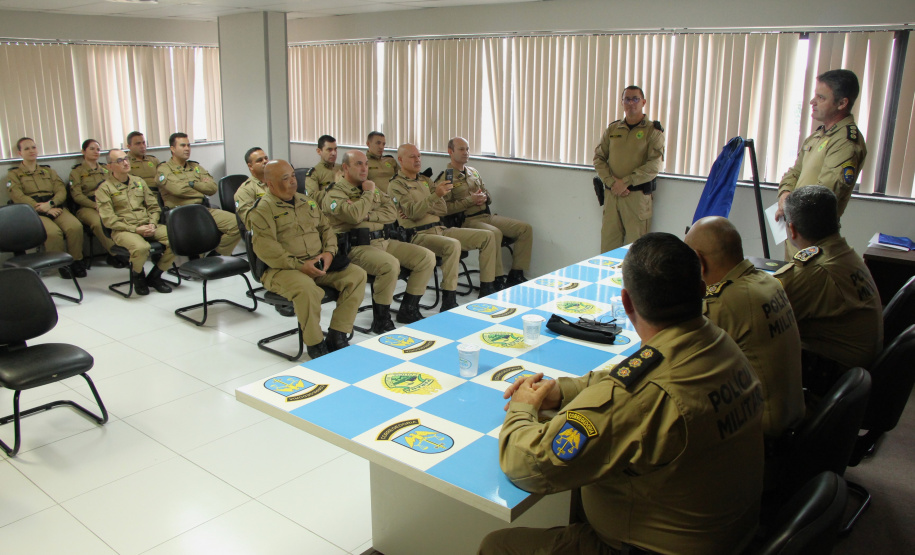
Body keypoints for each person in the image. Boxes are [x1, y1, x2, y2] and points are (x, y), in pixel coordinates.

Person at [481, 233, 763, 555]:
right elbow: (635, 376)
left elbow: (526, 466)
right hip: (733, 534)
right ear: (701, 290)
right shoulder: (720, 343)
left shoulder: (640, 397)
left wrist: (522, 408)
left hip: (651, 548)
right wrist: (564, 391)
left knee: (497, 545)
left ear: (626, 303)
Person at [685, 216, 804, 438]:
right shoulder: (768, 282)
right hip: (791, 411)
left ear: (699, 262)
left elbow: (679, 363)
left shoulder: (722, 303)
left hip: (760, 426)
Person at [249, 159, 367, 358]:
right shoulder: (262, 210)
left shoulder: (307, 201)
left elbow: (326, 228)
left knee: (357, 275)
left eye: (293, 176)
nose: (293, 182)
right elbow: (267, 249)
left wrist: (329, 252)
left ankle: (337, 334)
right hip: (282, 269)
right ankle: (315, 344)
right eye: (285, 178)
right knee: (307, 290)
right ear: (270, 184)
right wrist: (300, 265)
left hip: (317, 263)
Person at [774, 185, 882, 395]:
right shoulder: (844, 255)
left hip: (832, 376)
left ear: (792, 229)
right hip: (857, 374)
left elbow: (759, 310)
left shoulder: (816, 270)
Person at [323, 150, 435, 331]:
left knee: (426, 257)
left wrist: (366, 215)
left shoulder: (371, 186)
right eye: (358, 164)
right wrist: (367, 195)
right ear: (345, 168)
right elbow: (353, 216)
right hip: (356, 247)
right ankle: (381, 319)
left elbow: (391, 213)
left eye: (366, 164)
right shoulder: (335, 193)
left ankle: (408, 308)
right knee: (389, 265)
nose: (364, 168)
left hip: (384, 240)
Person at [388, 143, 499, 311]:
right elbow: (412, 213)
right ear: (401, 160)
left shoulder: (425, 181)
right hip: (418, 235)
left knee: (487, 236)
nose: (417, 160)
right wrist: (432, 200)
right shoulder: (396, 185)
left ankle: (487, 288)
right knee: (452, 244)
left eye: (419, 156)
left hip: (440, 229)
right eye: (412, 157)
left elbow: (443, 209)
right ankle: (449, 299)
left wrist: (425, 205)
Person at [775, 69, 867, 243]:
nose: (812, 102)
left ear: (842, 103)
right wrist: (785, 195)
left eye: (821, 98)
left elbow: (823, 196)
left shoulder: (845, 142)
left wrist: (789, 206)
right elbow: (794, 172)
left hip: (816, 234)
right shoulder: (818, 135)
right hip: (797, 227)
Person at [436, 137, 533, 288]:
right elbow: (444, 209)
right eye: (461, 149)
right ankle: (496, 279)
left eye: (467, 149)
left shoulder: (473, 172)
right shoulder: (446, 178)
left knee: (525, 228)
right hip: (467, 221)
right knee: (495, 233)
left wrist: (484, 197)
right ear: (450, 151)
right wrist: (470, 201)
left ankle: (516, 274)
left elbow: (489, 196)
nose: (466, 152)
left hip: (486, 215)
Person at [592, 85, 665, 253]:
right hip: (612, 196)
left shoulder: (652, 131)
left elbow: (655, 165)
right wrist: (612, 182)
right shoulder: (613, 129)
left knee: (637, 251)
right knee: (608, 250)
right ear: (622, 102)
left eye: (635, 99)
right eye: (627, 99)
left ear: (643, 102)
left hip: (636, 198)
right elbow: (599, 158)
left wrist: (625, 182)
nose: (631, 103)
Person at [5, 137, 86, 278]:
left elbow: (61, 190)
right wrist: (44, 208)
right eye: (27, 148)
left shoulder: (49, 171)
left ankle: (76, 261)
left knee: (75, 226)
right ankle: (62, 265)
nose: (31, 151)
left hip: (55, 206)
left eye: (33, 147)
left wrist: (50, 204)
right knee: (53, 233)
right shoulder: (14, 174)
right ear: (19, 153)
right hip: (34, 212)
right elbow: (18, 196)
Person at [96, 149, 174, 295]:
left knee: (176, 240)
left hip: (147, 224)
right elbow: (109, 220)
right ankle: (138, 275)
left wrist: (152, 223)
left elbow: (153, 207)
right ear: (109, 166)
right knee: (141, 247)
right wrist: (135, 229)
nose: (125, 163)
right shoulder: (104, 189)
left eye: (126, 158)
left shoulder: (139, 182)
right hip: (123, 230)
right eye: (120, 161)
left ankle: (155, 276)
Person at [157, 132, 240, 256]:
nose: (187, 149)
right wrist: (200, 187)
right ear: (172, 149)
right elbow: (177, 190)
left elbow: (212, 188)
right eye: (183, 145)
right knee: (198, 237)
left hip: (202, 209)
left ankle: (216, 255)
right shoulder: (164, 169)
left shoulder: (195, 166)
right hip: (180, 213)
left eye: (188, 145)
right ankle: (200, 261)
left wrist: (191, 184)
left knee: (237, 224)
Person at [68, 139, 122, 268]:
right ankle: (116, 253)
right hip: (88, 206)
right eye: (91, 149)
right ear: (83, 151)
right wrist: (94, 205)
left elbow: (115, 186)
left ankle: (126, 249)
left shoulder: (106, 169)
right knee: (99, 222)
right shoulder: (76, 172)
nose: (96, 152)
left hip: (107, 203)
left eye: (98, 149)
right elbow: (77, 196)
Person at [234, 147, 270, 229]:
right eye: (259, 160)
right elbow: (250, 222)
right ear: (250, 166)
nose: (265, 161)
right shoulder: (245, 190)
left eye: (266, 158)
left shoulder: (276, 182)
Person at [304, 134, 342, 205]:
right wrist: (333, 186)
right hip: (326, 212)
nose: (334, 153)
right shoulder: (314, 173)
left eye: (335, 149)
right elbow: (312, 198)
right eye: (329, 150)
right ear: (319, 151)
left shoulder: (342, 168)